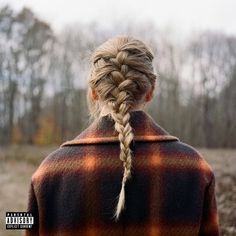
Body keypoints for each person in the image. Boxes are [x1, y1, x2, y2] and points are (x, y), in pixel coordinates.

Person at [25, 36, 219, 236]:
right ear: (151, 91)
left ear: (93, 92)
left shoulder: (48, 173)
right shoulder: (195, 169)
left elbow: (24, 223)